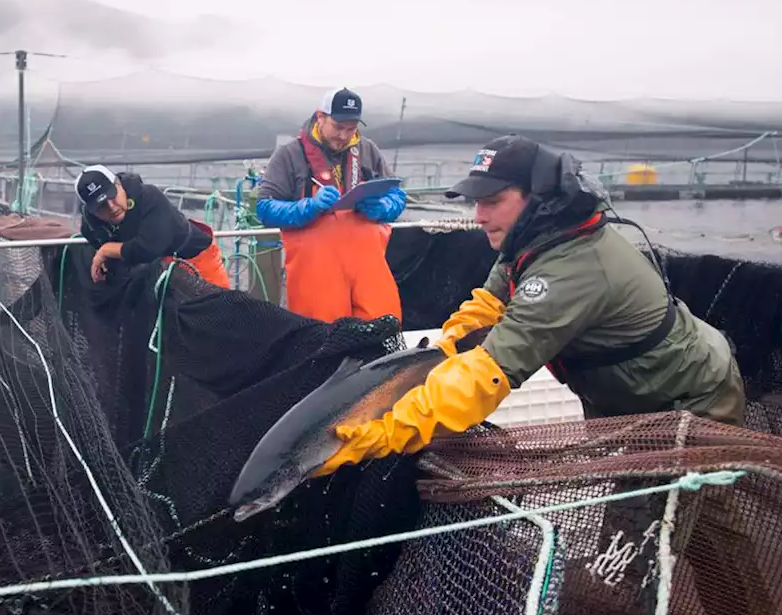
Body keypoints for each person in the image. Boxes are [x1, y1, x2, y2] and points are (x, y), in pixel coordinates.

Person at [314, 134, 747, 476]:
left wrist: (380, 433)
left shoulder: (571, 270)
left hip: (687, 398)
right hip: (626, 399)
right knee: (647, 515)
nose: (479, 216)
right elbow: (489, 304)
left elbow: (487, 376)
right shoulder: (533, 240)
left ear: (537, 197)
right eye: (476, 202)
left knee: (682, 528)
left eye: (493, 201)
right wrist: (445, 350)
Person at [256, 87, 408, 323]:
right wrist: (308, 207)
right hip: (317, 277)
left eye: (351, 128)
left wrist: (384, 207)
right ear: (320, 117)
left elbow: (398, 196)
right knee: (319, 338)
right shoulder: (288, 155)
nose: (344, 135)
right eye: (338, 127)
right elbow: (264, 208)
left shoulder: (368, 150)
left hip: (368, 271)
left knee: (382, 327)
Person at [75, 165, 231, 289]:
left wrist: (106, 250)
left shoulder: (149, 197)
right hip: (154, 273)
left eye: (112, 196)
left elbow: (148, 248)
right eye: (101, 206)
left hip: (195, 258)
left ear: (119, 185)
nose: (111, 206)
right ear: (90, 211)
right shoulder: (91, 226)